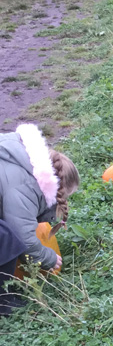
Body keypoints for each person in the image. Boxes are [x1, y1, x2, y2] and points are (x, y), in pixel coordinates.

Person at [0, 123, 79, 315]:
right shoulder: (24, 185)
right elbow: (23, 235)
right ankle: (3, 299)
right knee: (7, 237)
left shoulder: (21, 155)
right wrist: (48, 258)